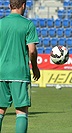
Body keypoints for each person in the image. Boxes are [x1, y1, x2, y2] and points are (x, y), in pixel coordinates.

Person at [0, 0, 40, 132]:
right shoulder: (27, 24)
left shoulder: (1, 23)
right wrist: (35, 67)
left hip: (1, 72)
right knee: (21, 111)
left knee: (0, 110)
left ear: (9, 6)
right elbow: (32, 50)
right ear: (23, 5)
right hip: (19, 73)